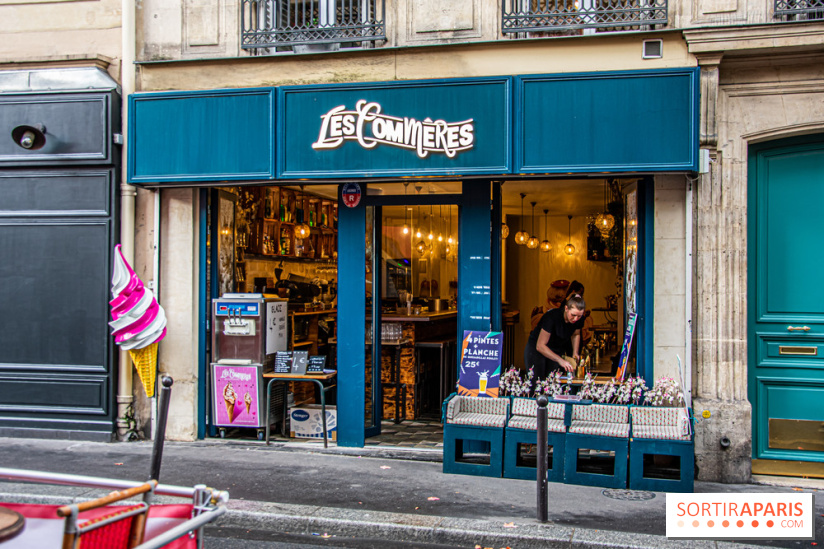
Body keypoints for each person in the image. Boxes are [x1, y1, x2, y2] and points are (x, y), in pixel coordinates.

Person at [524, 294, 587, 379]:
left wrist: (575, 353)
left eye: (579, 316)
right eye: (573, 315)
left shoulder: (579, 320)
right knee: (537, 383)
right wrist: (560, 360)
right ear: (566, 309)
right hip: (537, 349)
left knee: (553, 381)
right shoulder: (552, 317)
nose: (575, 319)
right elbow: (540, 346)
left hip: (556, 349)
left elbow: (576, 334)